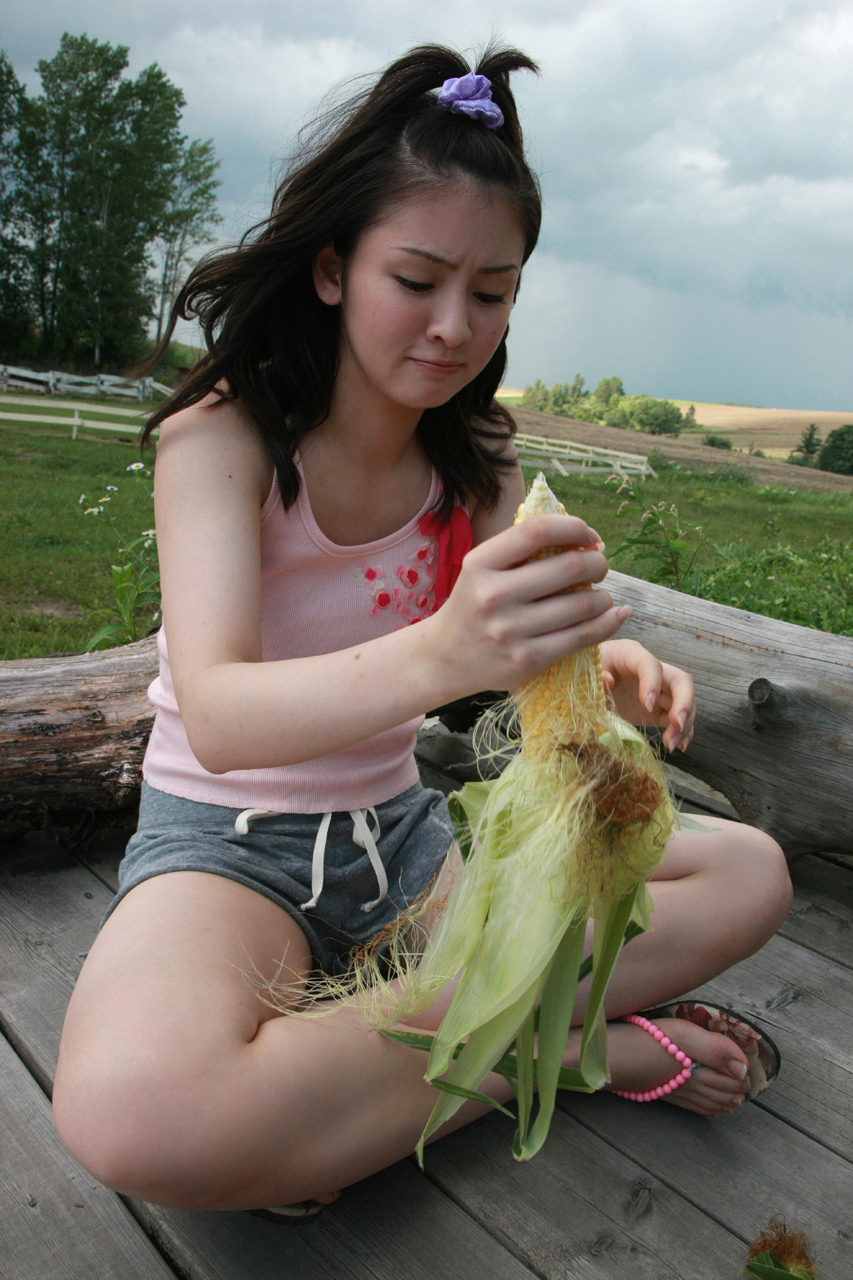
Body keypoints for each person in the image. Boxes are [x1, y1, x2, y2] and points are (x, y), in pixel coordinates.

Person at [52, 44, 792, 1220]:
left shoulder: (473, 455)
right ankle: (564, 1053)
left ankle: (320, 1103)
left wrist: (603, 661)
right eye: (420, 278)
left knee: (745, 870)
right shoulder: (224, 440)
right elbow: (227, 713)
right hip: (228, 846)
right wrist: (448, 649)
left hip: (405, 850)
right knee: (123, 1110)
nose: (456, 327)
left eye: (491, 293)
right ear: (336, 268)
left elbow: (531, 637)